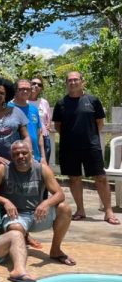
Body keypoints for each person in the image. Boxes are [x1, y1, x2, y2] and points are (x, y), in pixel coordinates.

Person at [0, 140, 75, 274]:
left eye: (24, 153)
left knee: (65, 208)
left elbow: (59, 194)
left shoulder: (42, 169)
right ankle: (18, 258)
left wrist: (46, 203)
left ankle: (56, 250)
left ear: (31, 154)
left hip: (38, 214)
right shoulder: (3, 169)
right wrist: (5, 201)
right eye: (16, 154)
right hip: (16, 215)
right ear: (11, 156)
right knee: (16, 228)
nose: (21, 156)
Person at [53, 71, 120, 225]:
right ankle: (80, 210)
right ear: (66, 83)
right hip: (69, 147)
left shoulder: (93, 100)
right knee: (74, 179)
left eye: (76, 79)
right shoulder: (61, 103)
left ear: (82, 82)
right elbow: (58, 126)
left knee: (101, 178)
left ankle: (108, 212)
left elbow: (99, 122)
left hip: (91, 146)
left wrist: (89, 136)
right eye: (69, 80)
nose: (73, 82)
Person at [9, 78, 46, 163]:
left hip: (35, 156)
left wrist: (43, 157)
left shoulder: (34, 109)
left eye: (28, 89)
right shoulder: (8, 108)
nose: (25, 91)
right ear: (15, 90)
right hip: (16, 156)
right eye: (22, 89)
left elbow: (39, 134)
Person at [29, 77, 53, 163]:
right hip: (29, 136)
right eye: (34, 83)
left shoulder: (44, 102)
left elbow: (48, 119)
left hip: (43, 136)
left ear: (41, 88)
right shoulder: (23, 101)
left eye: (39, 85)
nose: (36, 86)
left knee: (44, 162)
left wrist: (48, 125)